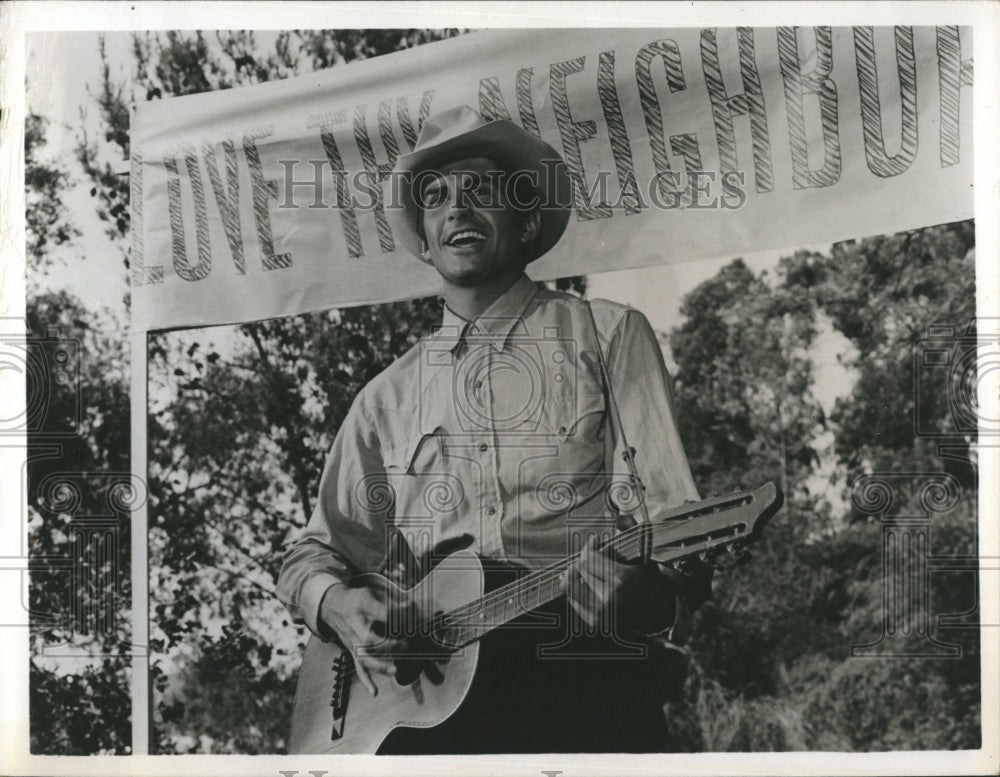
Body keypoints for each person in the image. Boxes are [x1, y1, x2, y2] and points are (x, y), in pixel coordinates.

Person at [276, 106, 711, 753]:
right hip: (429, 718)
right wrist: (336, 604)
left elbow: (678, 534)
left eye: (481, 189)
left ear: (526, 220)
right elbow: (310, 555)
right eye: (436, 196)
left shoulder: (609, 336)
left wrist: (649, 597)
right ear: (425, 240)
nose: (458, 207)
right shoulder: (383, 400)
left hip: (587, 689)